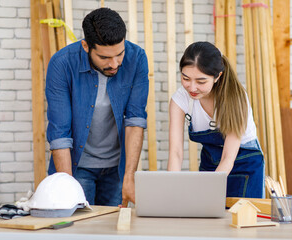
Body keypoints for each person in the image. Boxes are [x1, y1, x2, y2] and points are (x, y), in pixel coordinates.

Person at [45, 8, 149, 207]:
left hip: (117, 169)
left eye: (119, 54)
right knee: (78, 231)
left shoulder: (136, 58)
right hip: (77, 168)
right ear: (85, 46)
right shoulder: (62, 64)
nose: (115, 63)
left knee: (114, 232)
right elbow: (60, 133)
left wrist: (129, 177)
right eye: (104, 58)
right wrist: (68, 188)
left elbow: (135, 120)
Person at [168, 41, 264, 198]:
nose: (192, 88)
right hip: (210, 163)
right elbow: (176, 153)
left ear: (217, 76)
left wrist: (208, 192)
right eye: (186, 78)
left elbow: (228, 158)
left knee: (240, 219)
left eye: (201, 81)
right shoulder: (180, 99)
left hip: (245, 164)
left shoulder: (236, 98)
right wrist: (172, 189)